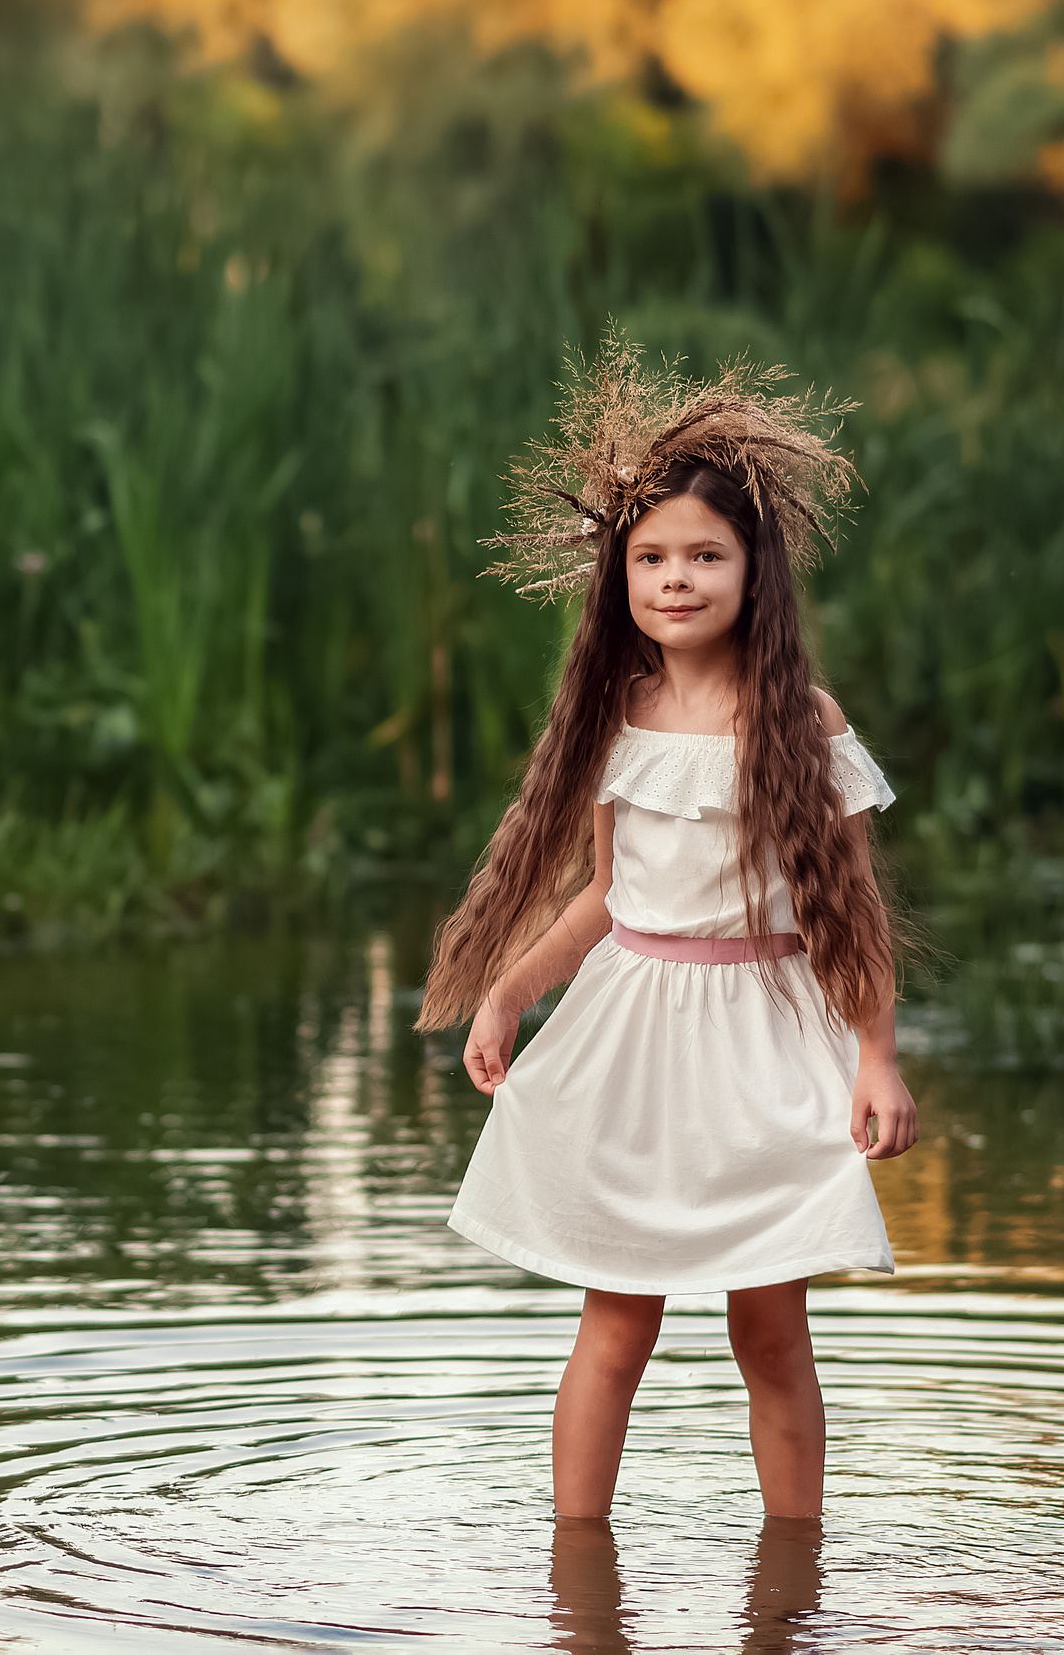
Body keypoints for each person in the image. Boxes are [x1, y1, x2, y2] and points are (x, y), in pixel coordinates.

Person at [418, 336, 918, 1529]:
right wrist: (506, 989)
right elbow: (606, 895)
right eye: (651, 558)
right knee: (615, 1320)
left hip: (765, 1035)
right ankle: (576, 1571)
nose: (676, 578)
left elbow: (847, 908)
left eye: (705, 555)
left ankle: (791, 1575)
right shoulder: (616, 714)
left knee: (770, 1325)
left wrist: (876, 1056)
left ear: (756, 571)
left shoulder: (801, 717)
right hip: (634, 1037)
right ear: (618, 576)